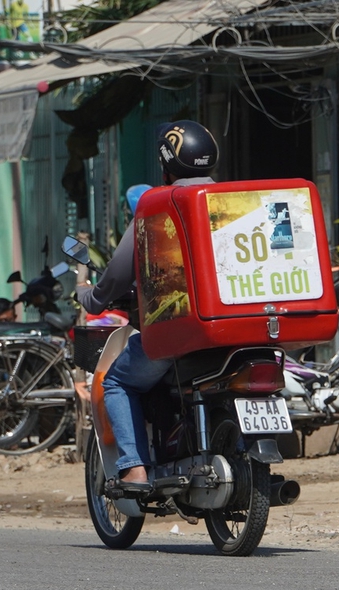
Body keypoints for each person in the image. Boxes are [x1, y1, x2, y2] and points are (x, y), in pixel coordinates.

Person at [77, 121, 219, 489]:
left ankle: (134, 468)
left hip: (183, 331)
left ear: (166, 166)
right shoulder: (232, 202)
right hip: (244, 330)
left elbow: (116, 277)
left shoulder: (156, 208)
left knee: (117, 383)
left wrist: (88, 296)